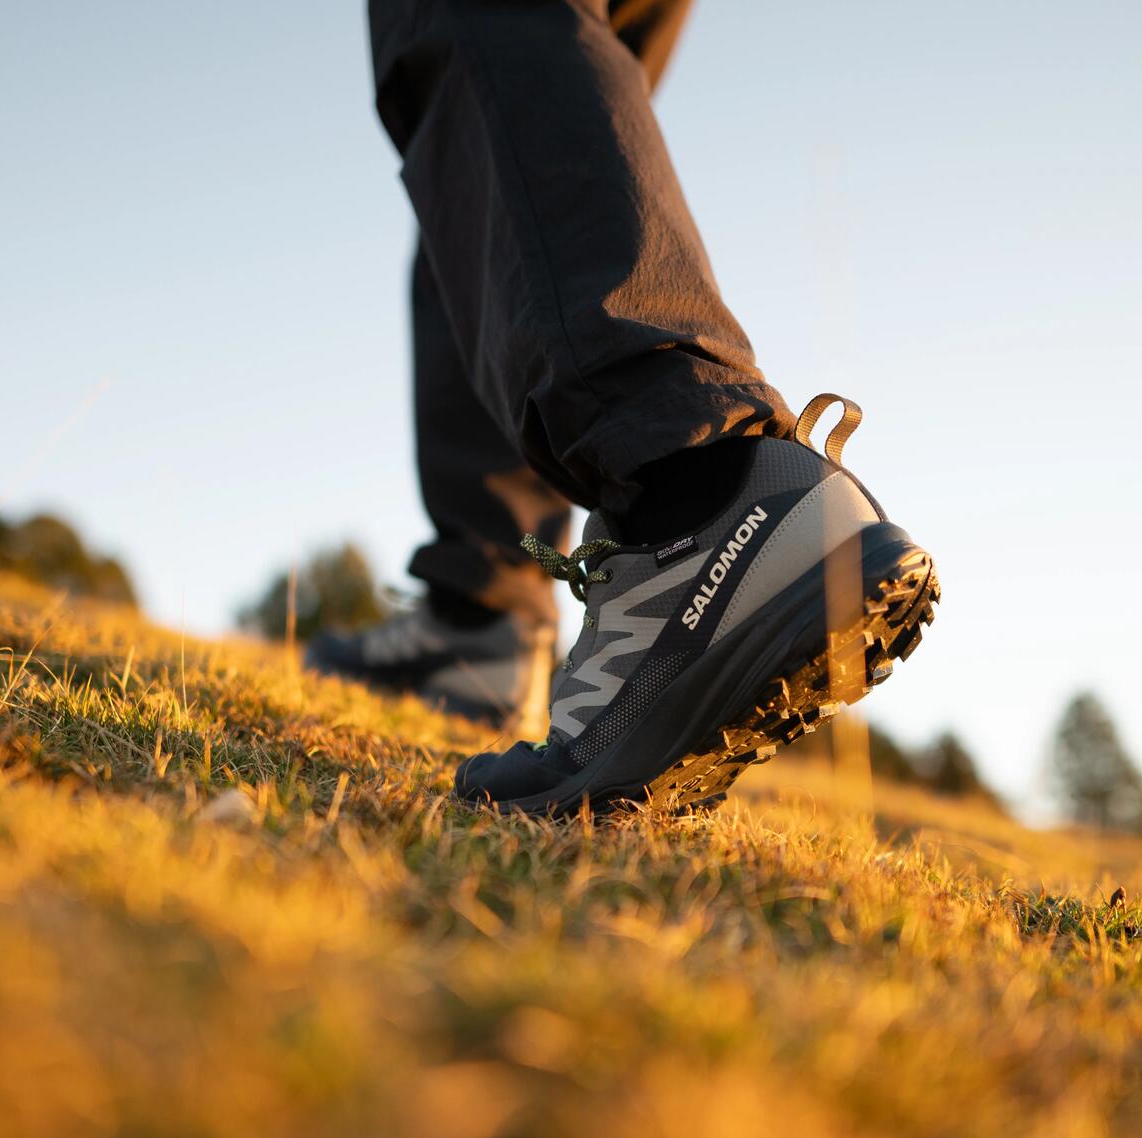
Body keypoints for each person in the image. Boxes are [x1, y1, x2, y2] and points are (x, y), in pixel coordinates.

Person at [306, 0, 937, 814]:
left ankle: (695, 493)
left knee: (486, 39)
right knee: (484, 166)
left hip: (707, 473)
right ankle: (483, 604)